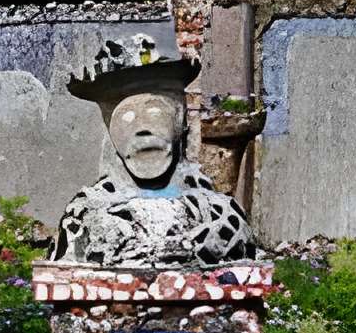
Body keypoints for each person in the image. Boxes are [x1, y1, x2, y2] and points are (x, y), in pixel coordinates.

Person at [52, 35, 257, 268]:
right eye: (126, 116)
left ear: (181, 120)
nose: (142, 129)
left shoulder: (220, 218)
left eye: (155, 112)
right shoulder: (86, 215)